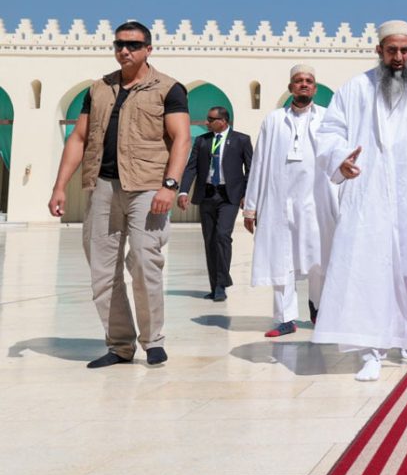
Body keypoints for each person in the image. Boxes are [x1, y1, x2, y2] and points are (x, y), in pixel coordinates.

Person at [313, 20, 407, 382]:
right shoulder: (356, 88)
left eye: (405, 50)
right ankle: (371, 350)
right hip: (368, 194)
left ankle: (404, 330)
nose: (398, 57)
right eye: (391, 50)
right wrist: (340, 159)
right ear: (379, 50)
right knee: (369, 269)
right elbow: (330, 130)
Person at [48, 21, 190, 368]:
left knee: (144, 263)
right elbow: (78, 139)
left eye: (133, 45)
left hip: (147, 188)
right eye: (119, 44)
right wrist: (59, 186)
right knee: (102, 270)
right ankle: (119, 345)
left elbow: (182, 139)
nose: (124, 50)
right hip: (102, 187)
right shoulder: (98, 89)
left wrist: (169, 186)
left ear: (148, 49)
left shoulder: (169, 88)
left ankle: (153, 340)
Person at [242, 64, 325, 337]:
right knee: (281, 259)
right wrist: (251, 207)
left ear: (314, 87)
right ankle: (285, 318)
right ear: (290, 87)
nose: (303, 84)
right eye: (298, 81)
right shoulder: (274, 120)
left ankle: (318, 309)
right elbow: (259, 163)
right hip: (279, 202)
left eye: (309, 81)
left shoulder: (326, 119)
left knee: (318, 258)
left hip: (315, 203)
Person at [178, 107, 253, 301]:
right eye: (207, 118)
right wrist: (184, 191)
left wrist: (247, 194)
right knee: (210, 240)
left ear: (223, 121)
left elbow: (251, 170)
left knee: (222, 235)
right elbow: (191, 167)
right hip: (207, 195)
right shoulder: (202, 141)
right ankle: (216, 286)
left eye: (211, 119)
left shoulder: (241, 140)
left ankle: (222, 282)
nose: (207, 122)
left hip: (229, 196)